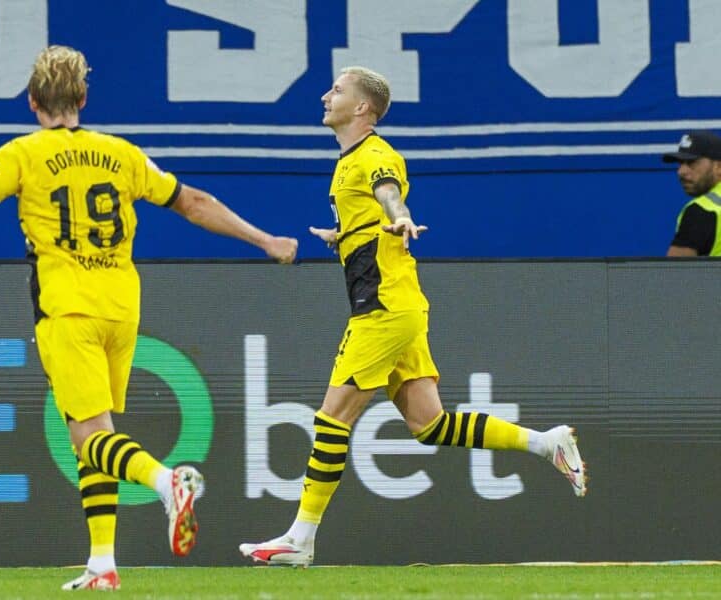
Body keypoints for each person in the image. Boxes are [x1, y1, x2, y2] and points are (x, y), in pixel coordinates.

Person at [0, 45, 298, 590]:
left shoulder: (23, 153)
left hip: (67, 307)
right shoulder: (122, 154)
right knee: (92, 434)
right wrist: (263, 239)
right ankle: (102, 564)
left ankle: (168, 482)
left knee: (91, 438)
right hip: (121, 307)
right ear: (83, 99)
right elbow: (192, 201)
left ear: (33, 101)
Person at [238, 66, 587, 568]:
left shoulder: (377, 154)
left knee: (331, 418)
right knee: (429, 424)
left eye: (336, 90)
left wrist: (398, 213)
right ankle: (545, 443)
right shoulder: (347, 161)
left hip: (382, 308)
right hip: (400, 304)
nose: (324, 95)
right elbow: (371, 209)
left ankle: (300, 538)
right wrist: (347, 234)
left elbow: (388, 190)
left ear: (362, 108)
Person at [663, 130, 721, 257]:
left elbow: (672, 274)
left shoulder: (701, 212)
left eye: (692, 162)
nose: (681, 171)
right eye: (680, 163)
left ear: (718, 167)